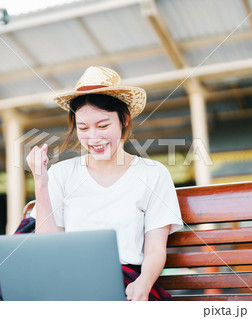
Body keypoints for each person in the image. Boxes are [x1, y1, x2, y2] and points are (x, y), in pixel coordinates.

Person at [26, 66, 184, 301]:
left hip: (127, 283)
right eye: (83, 128)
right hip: (72, 285)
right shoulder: (60, 174)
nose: (93, 137)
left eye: (103, 126)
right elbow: (49, 248)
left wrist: (144, 282)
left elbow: (155, 248)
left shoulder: (153, 174)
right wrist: (41, 183)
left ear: (124, 121)